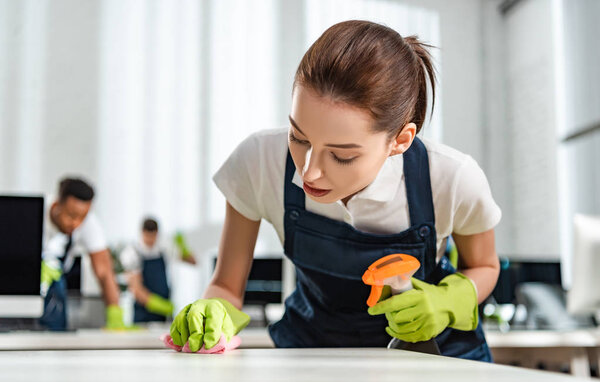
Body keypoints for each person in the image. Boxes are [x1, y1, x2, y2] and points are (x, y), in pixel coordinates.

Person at [170, 20, 502, 361]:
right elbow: (226, 286)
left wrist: (449, 301)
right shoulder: (259, 161)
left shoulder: (451, 177)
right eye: (298, 137)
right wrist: (214, 314)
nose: (309, 170)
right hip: (315, 352)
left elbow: (485, 267)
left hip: (432, 354)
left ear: (400, 141)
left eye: (342, 155)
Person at [40, 177, 126, 330]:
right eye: (71, 215)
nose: (76, 223)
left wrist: (115, 313)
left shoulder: (89, 223)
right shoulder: (37, 210)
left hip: (54, 294)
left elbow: (104, 271)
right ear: (57, 203)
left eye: (82, 217)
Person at [119, 218, 197, 323]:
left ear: (157, 233)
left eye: (153, 236)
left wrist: (183, 247)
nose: (151, 240)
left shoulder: (164, 248)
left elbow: (193, 262)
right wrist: (158, 305)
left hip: (163, 316)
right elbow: (136, 289)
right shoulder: (132, 253)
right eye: (147, 236)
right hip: (143, 314)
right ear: (142, 232)